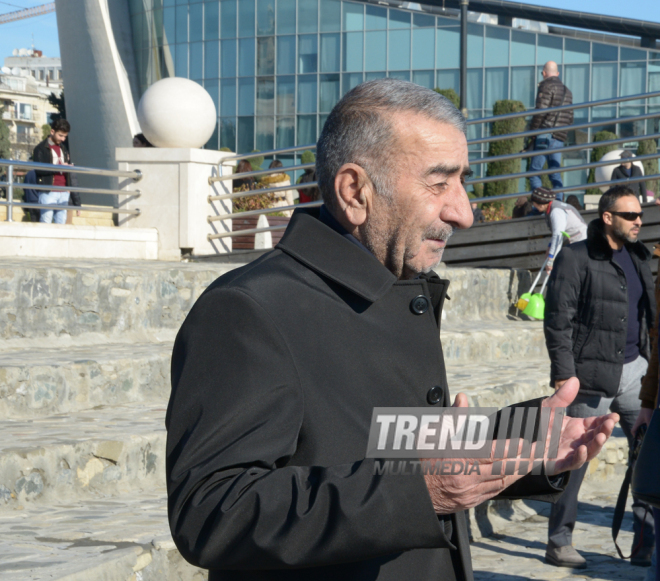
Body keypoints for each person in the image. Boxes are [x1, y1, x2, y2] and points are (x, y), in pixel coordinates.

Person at [166, 79, 618, 581]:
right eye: (438, 183)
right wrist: (422, 492)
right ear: (355, 191)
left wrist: (522, 440)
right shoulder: (247, 310)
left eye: (463, 181)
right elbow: (211, 511)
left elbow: (391, 443)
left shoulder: (397, 288)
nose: (463, 212)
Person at [544, 185, 656, 569]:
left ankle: (645, 545)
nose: (638, 221)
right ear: (607, 217)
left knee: (647, 461)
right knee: (573, 461)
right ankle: (559, 542)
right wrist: (563, 374)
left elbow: (647, 317)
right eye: (630, 215)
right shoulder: (576, 258)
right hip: (589, 378)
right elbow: (558, 319)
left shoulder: (640, 256)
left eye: (640, 214)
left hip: (636, 374)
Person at [528, 61, 574, 194]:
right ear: (558, 73)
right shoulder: (568, 91)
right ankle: (558, 204)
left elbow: (540, 112)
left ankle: (539, 203)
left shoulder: (546, 86)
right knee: (554, 173)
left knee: (534, 172)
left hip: (545, 134)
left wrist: (532, 132)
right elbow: (570, 118)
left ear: (543, 73)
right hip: (559, 137)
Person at [32, 118, 81, 224]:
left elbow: (70, 174)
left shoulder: (63, 148)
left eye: (65, 136)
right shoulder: (40, 149)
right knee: (46, 221)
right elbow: (39, 170)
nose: (63, 139)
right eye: (60, 135)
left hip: (64, 192)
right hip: (48, 191)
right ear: (52, 131)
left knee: (61, 224)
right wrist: (59, 167)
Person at [530, 187, 587, 273]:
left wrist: (551, 258)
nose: (533, 205)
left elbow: (558, 235)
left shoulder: (556, 211)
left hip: (580, 243)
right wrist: (549, 248)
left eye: (534, 203)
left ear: (541, 204)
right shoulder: (552, 208)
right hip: (575, 241)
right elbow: (556, 234)